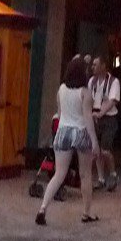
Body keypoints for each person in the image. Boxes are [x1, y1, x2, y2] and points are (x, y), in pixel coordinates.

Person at [36, 57, 99, 225]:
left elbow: (60, 112)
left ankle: (42, 208)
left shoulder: (61, 89)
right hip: (80, 132)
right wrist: (94, 141)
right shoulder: (85, 93)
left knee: (59, 174)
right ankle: (86, 213)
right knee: (85, 174)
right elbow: (87, 118)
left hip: (63, 131)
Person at [90, 55, 121, 191]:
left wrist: (100, 113)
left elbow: (112, 101)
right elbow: (88, 99)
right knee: (96, 150)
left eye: (95, 64)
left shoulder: (113, 82)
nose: (93, 67)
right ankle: (101, 179)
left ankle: (113, 174)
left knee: (105, 150)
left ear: (103, 66)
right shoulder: (92, 81)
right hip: (95, 117)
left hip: (109, 118)